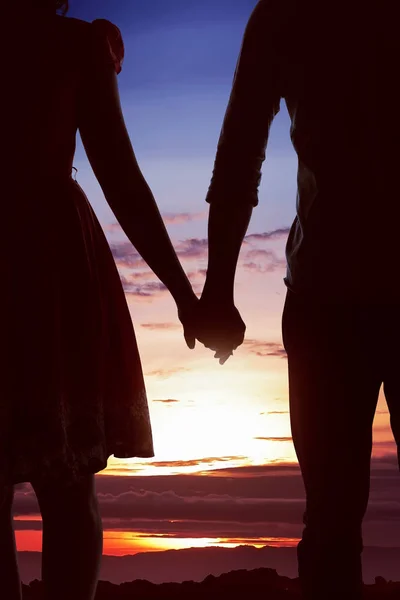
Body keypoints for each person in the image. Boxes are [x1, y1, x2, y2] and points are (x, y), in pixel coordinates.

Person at [195, 0, 400, 598]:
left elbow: (239, 157)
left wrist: (218, 292)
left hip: (325, 294)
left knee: (332, 522)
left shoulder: (285, 14)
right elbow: (239, 158)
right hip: (325, 299)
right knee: (332, 523)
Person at [1, 2, 198, 599]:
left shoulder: (75, 46)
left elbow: (119, 172)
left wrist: (185, 293)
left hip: (52, 273)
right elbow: (119, 173)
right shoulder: (75, 45)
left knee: (67, 480)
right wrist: (187, 296)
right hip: (51, 265)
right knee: (68, 486)